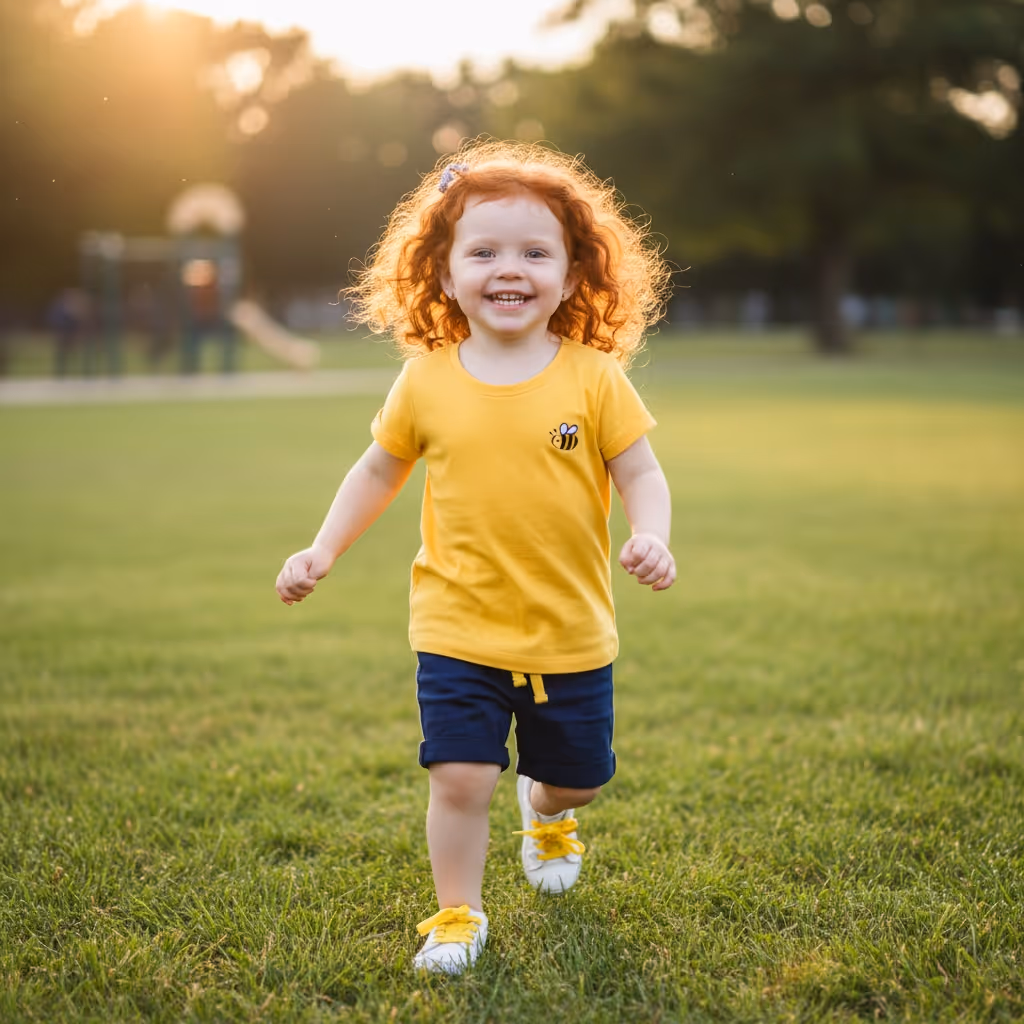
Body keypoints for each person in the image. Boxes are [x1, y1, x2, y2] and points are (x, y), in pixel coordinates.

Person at [275, 141, 675, 975]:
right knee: (459, 777)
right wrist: (322, 546)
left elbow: (639, 469)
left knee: (580, 780)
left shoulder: (594, 378)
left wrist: (652, 534)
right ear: (445, 273)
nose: (509, 269)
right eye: (483, 250)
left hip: (569, 630)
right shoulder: (424, 381)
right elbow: (378, 468)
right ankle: (457, 915)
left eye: (536, 253)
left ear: (572, 277)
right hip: (455, 624)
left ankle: (550, 813)